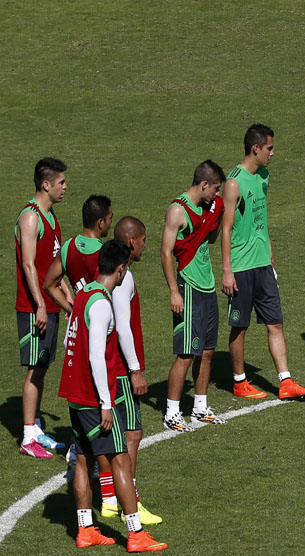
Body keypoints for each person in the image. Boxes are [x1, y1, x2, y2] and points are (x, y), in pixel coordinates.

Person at [58, 239, 167, 552]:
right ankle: (135, 534)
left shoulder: (83, 295)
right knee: (120, 460)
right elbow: (95, 357)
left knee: (83, 458)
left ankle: (86, 530)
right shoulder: (103, 303)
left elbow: (71, 341)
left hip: (75, 395)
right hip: (95, 399)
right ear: (121, 269)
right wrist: (106, 404)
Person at [221, 124, 305, 400]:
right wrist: (227, 270)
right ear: (256, 149)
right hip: (240, 267)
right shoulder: (233, 183)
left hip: (263, 265)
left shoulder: (263, 177)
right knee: (240, 326)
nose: (273, 153)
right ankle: (239, 382)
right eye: (269, 148)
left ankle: (285, 382)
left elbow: (261, 222)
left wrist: (271, 258)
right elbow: (226, 228)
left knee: (275, 322)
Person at [100, 216, 162, 524]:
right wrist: (135, 369)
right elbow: (123, 327)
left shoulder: (105, 270)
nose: (145, 245)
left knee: (109, 433)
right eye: (143, 240)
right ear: (131, 242)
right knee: (132, 434)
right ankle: (129, 500)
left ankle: (110, 497)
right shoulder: (125, 277)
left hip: (108, 363)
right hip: (121, 368)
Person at [161, 160, 227, 431]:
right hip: (187, 286)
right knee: (186, 353)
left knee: (207, 351)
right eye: (215, 189)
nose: (216, 194)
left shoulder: (207, 207)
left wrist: (216, 213)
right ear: (203, 185)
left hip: (207, 286)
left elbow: (208, 240)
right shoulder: (178, 211)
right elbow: (166, 252)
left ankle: (200, 406)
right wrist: (174, 292)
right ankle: (172, 412)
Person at [15, 157, 71, 458]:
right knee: (35, 368)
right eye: (61, 182)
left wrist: (69, 299)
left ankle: (36, 428)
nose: (65, 187)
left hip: (48, 305)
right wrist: (38, 304)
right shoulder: (31, 217)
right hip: (32, 307)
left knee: (43, 366)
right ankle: (27, 437)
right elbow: (28, 264)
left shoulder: (51, 218)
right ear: (45, 184)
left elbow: (53, 268)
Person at [44, 194, 112, 314]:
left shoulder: (68, 247)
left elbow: (48, 285)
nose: (110, 223)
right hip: (102, 323)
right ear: (100, 222)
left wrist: (72, 311)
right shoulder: (106, 253)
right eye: (110, 218)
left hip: (78, 327)